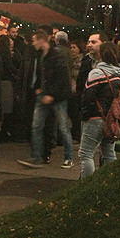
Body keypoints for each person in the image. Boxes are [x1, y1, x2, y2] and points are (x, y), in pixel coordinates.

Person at [17, 29, 74, 169]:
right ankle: (36, 156)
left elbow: (62, 78)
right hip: (44, 94)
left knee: (63, 127)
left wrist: (51, 94)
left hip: (57, 97)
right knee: (36, 126)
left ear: (42, 40)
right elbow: (40, 74)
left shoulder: (56, 55)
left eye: (35, 40)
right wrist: (38, 88)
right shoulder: (40, 55)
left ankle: (69, 157)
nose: (33, 43)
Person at [78, 41, 120, 179]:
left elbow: (88, 98)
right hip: (113, 119)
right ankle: (110, 182)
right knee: (109, 152)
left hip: (95, 118)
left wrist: (84, 116)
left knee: (86, 154)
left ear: (100, 55)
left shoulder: (97, 73)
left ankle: (86, 187)